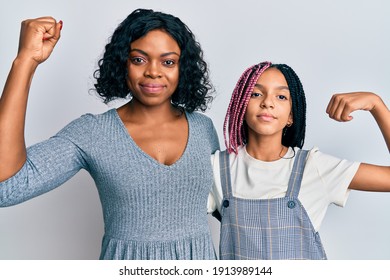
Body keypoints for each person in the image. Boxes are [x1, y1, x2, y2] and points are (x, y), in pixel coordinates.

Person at [0, 9, 220, 260]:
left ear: (183, 68)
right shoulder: (93, 133)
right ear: (122, 63)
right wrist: (25, 61)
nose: (153, 72)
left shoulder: (203, 129)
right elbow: (7, 188)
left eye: (168, 62)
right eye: (139, 59)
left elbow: (234, 205)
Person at [208, 61, 390, 260]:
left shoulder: (313, 167)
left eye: (281, 96)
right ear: (240, 105)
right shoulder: (216, 167)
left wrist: (376, 105)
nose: (268, 102)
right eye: (256, 94)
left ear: (291, 117)